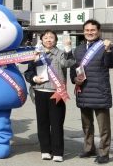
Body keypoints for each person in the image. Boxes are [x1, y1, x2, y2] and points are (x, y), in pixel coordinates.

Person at [24, 30, 74, 162]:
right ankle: (45, 150)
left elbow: (68, 63)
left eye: (51, 37)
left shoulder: (61, 53)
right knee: (43, 122)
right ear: (41, 40)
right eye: (45, 37)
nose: (48, 40)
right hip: (40, 92)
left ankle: (58, 152)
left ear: (56, 40)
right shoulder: (36, 55)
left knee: (57, 123)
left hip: (56, 92)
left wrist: (68, 47)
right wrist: (34, 78)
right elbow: (28, 72)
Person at [70, 19, 113, 164]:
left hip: (100, 91)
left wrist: (108, 50)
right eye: (87, 30)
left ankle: (104, 152)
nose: (90, 32)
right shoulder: (79, 49)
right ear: (83, 32)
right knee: (86, 124)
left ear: (99, 31)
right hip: (84, 91)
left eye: (93, 30)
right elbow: (73, 67)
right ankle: (89, 148)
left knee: (104, 126)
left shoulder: (105, 46)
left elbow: (110, 64)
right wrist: (74, 79)